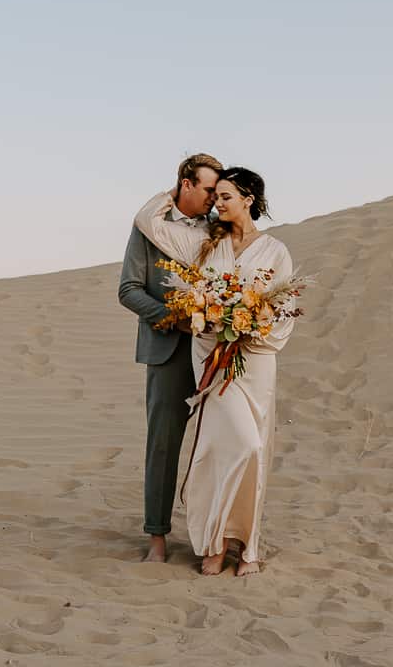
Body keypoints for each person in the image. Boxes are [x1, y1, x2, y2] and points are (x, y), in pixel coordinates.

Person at [133, 166, 296, 576]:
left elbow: (283, 313)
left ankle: (247, 546)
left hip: (255, 362)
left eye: (225, 197)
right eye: (214, 195)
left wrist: (248, 332)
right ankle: (214, 543)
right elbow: (147, 221)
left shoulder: (276, 251)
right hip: (212, 358)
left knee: (253, 449)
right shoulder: (206, 244)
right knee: (221, 448)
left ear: (249, 200)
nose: (216, 204)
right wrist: (176, 189)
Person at [118, 153, 221, 563]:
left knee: (220, 444)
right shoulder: (149, 229)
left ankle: (212, 538)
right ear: (186, 182)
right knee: (163, 446)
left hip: (217, 348)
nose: (215, 198)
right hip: (169, 350)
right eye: (209, 189)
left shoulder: (220, 227)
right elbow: (129, 289)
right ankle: (157, 537)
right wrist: (171, 318)